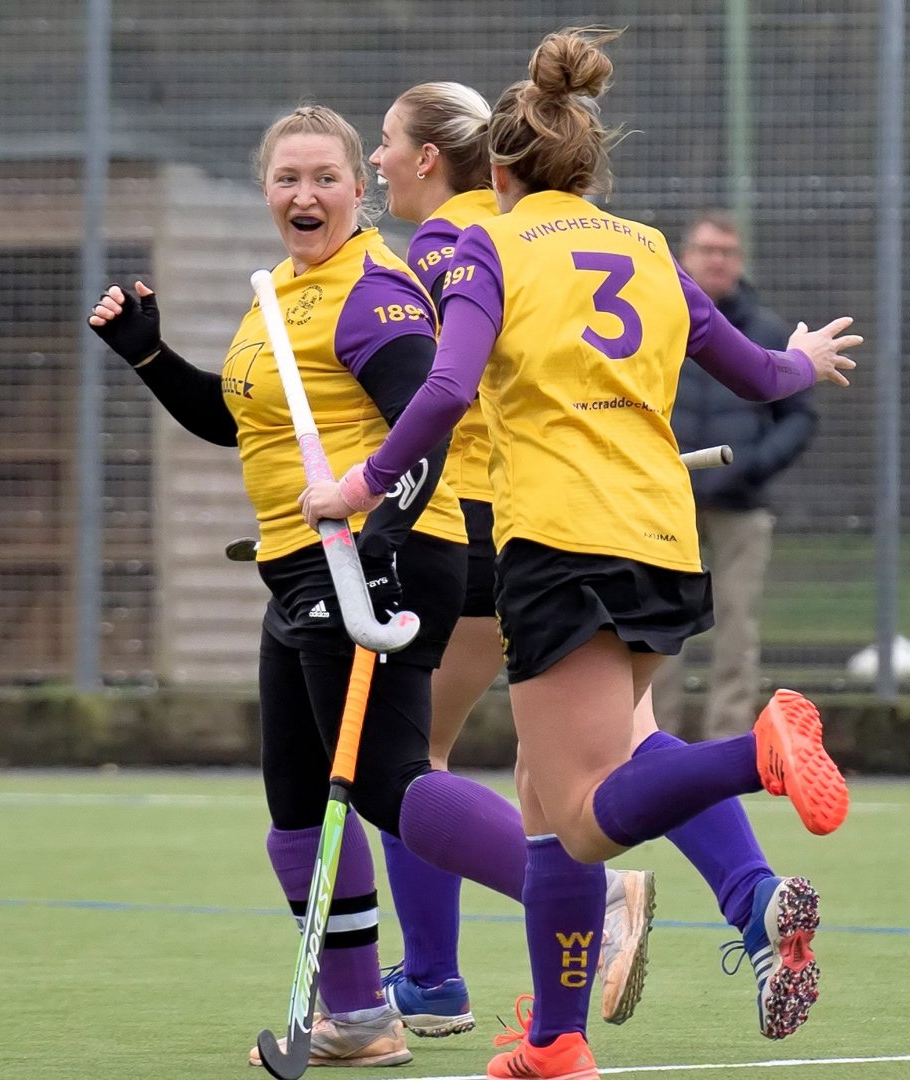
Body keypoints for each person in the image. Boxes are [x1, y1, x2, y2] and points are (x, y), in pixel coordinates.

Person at [300, 29, 860, 1080]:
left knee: (588, 823)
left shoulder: (489, 246)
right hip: (662, 535)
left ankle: (762, 754)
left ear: (499, 171)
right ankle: (556, 1042)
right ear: (586, 165)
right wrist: (803, 359)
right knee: (544, 805)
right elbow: (751, 371)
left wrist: (360, 484)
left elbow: (448, 388)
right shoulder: (650, 247)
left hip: (560, 543)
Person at [89, 104, 544, 1071]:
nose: (306, 195)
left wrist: (380, 538)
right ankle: (360, 1017)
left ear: (359, 189)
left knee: (387, 781)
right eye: (288, 179)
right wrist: (149, 355)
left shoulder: (371, 292)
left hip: (376, 552)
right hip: (300, 564)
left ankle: (577, 891)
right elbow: (234, 419)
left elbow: (428, 415)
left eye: (326, 177)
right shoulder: (278, 295)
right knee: (296, 810)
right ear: (267, 191)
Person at [367, 80, 655, 1035]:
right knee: (573, 765)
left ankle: (545, 927)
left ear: (429, 159)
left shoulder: (450, 242)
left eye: (381, 145)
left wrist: (371, 488)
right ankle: (441, 983)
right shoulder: (541, 235)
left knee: (415, 761)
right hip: (555, 520)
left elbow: (442, 393)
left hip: (474, 524)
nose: (373, 163)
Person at [653, 211, 817, 738]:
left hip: (740, 503)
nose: (717, 260)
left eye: (727, 252)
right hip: (664, 497)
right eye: (707, 250)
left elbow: (799, 415)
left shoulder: (767, 330)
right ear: (685, 256)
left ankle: (727, 741)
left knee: (737, 627)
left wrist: (752, 467)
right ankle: (656, 743)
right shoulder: (655, 317)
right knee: (659, 625)